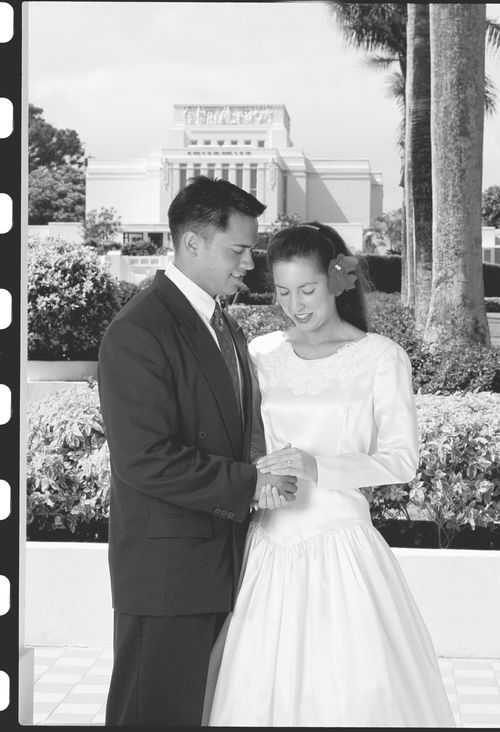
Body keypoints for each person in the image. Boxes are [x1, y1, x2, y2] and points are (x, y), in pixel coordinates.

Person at [206, 222, 456, 727]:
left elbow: (401, 460)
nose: (295, 304)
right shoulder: (261, 354)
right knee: (256, 688)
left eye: (307, 289)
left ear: (336, 282)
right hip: (267, 547)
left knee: (352, 690)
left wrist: (317, 466)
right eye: (281, 291)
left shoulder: (381, 358)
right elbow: (245, 441)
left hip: (343, 548)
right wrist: (260, 477)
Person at [98, 176, 297, 726]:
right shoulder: (139, 329)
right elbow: (144, 458)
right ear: (191, 243)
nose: (249, 264)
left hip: (224, 564)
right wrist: (250, 483)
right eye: (238, 250)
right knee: (152, 716)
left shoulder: (223, 323)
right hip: (167, 575)